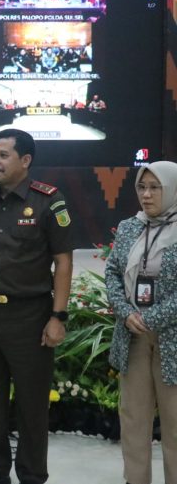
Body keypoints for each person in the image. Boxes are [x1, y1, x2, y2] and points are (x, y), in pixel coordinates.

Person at [0, 128, 73, 484]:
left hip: (30, 316)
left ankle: (32, 476)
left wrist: (58, 316)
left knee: (31, 404)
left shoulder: (48, 201)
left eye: (3, 155)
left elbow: (63, 261)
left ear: (26, 160)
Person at [106, 161, 177, 484]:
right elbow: (112, 272)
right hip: (133, 336)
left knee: (175, 422)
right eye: (142, 187)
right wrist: (125, 311)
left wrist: (151, 317)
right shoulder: (129, 227)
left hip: (171, 339)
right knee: (133, 420)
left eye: (155, 188)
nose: (146, 195)